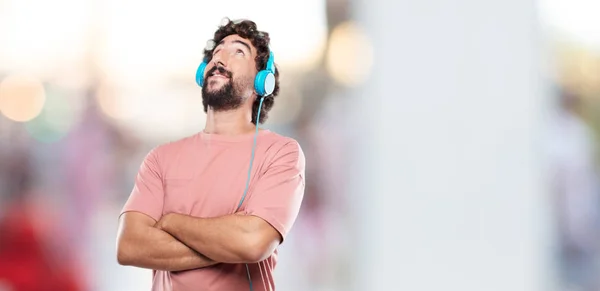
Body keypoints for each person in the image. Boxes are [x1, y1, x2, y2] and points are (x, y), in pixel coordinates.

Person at [116, 18, 306, 291]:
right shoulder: (160, 158)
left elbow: (253, 242)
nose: (220, 58)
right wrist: (228, 242)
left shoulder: (281, 153)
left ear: (262, 82)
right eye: (217, 52)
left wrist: (171, 222)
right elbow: (130, 246)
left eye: (238, 51)